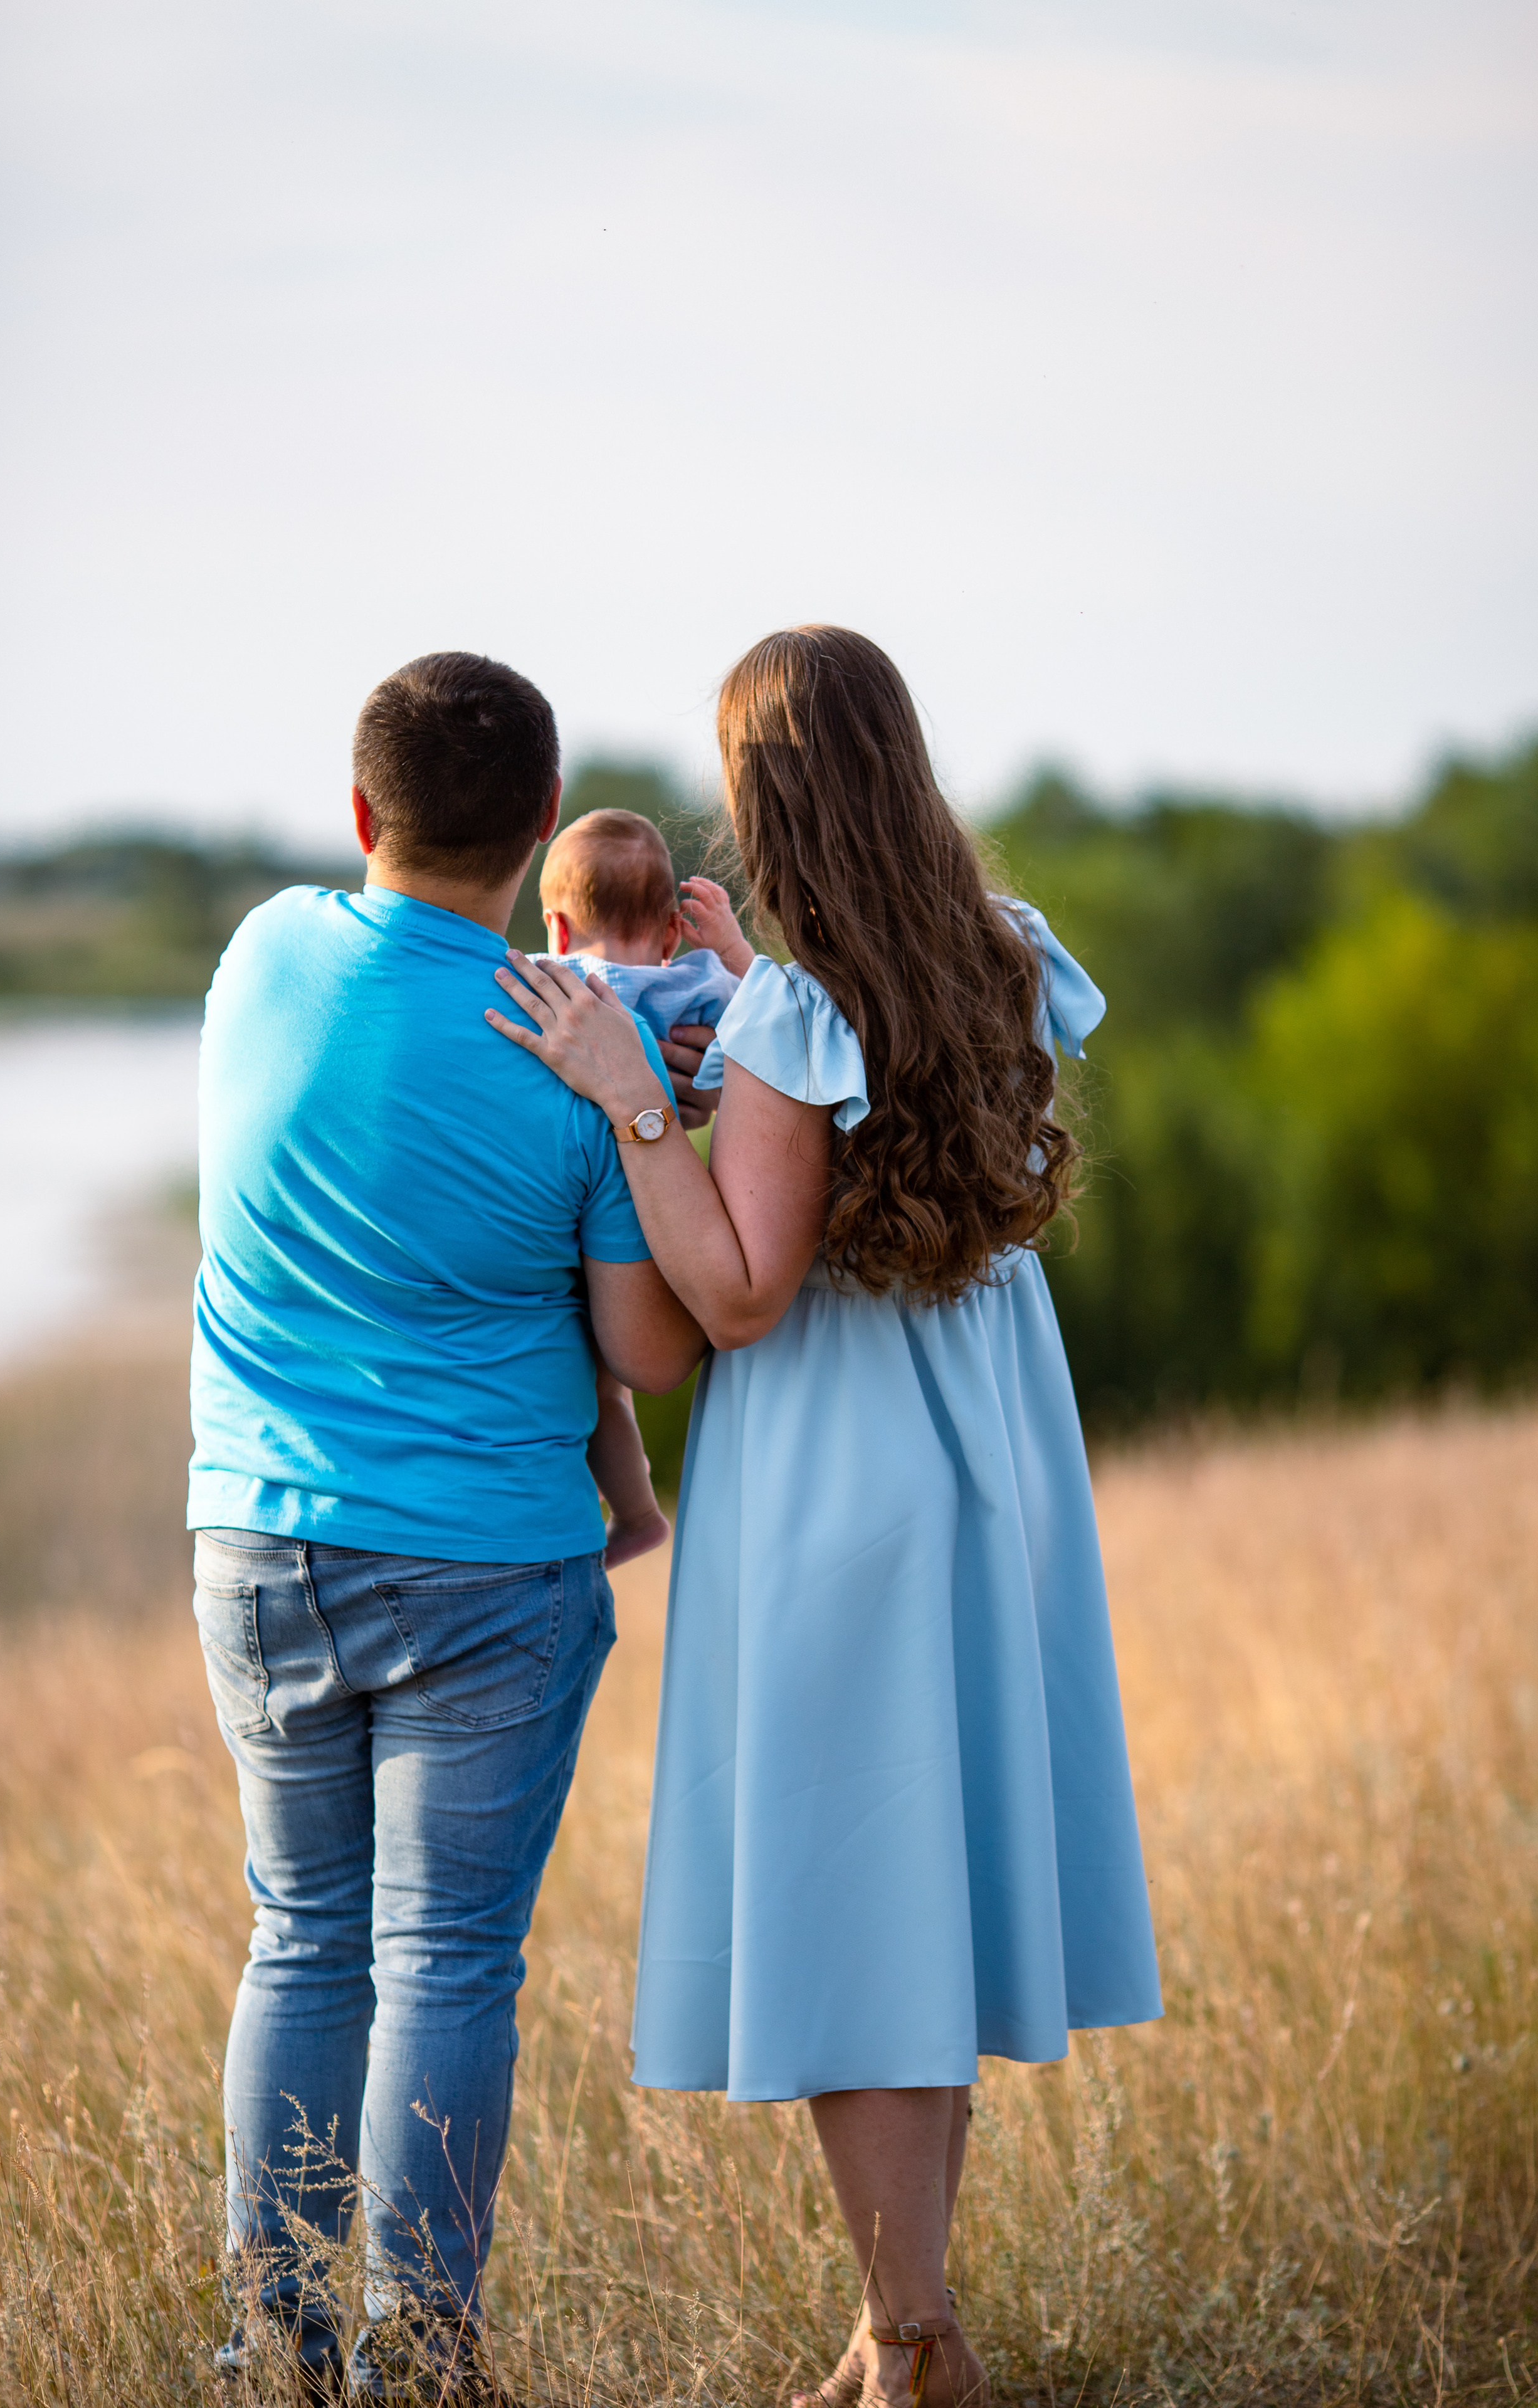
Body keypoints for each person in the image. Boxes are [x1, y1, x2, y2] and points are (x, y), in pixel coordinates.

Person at [487, 626, 1164, 2408]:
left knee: (863, 1907)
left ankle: (916, 2339)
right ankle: (898, 2326)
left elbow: (738, 1291)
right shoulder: (1002, 954)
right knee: (920, 1890)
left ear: (771, 797)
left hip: (837, 1473)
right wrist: (737, 992)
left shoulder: (797, 1020)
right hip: (988, 1445)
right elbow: (885, 1130)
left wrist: (634, 1094)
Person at [188, 652, 705, 2400]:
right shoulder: (569, 1050)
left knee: (299, 1938)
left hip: (256, 1546)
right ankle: (422, 2357)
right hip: (488, 1567)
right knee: (446, 1967)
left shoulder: (261, 954)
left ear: (361, 810)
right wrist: (645, 1107)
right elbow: (649, 1349)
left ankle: (271, 2343)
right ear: (544, 826)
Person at [537, 806, 755, 1570]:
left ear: (557, 928)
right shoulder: (696, 983)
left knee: (586, 1378)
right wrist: (728, 947)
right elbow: (770, 1029)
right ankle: (637, 1515)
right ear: (669, 933)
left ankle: (632, 1514)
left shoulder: (557, 982)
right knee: (612, 1386)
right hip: (659, 1195)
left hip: (571, 1196)